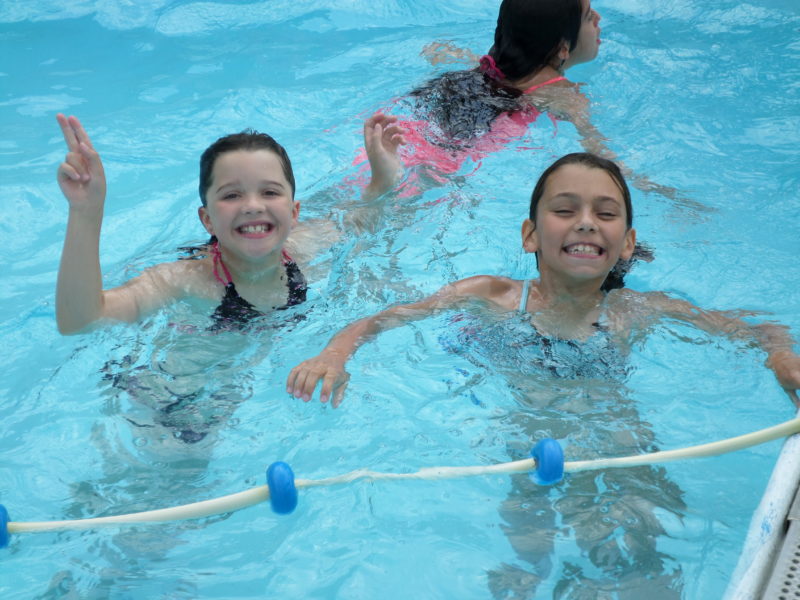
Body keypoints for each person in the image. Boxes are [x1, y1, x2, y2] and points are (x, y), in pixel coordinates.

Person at [287, 152, 800, 407]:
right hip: (521, 421)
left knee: (641, 513)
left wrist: (781, 357)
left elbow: (755, 331)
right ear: (530, 235)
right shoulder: (490, 295)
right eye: (565, 209)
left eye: (605, 213)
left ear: (626, 243)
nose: (585, 222)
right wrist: (333, 356)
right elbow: (378, 321)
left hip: (608, 422)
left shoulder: (636, 310)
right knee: (526, 540)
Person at [54, 112, 407, 334]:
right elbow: (82, 321)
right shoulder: (183, 281)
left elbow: (366, 219)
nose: (253, 206)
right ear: (207, 218)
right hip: (178, 396)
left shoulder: (306, 245)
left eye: (269, 192)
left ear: (295, 212)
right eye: (231, 195)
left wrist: (381, 181)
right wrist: (86, 213)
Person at [383, 0, 677, 199]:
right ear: (563, 49)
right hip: (446, 164)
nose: (599, 19)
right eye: (589, 16)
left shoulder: (489, 65)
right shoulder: (562, 94)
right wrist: (650, 187)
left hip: (413, 129)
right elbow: (599, 153)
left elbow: (436, 50)